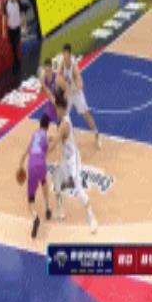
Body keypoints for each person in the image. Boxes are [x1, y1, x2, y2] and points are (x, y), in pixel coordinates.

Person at [49, 93, 98, 232]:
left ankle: (92, 218)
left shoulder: (64, 124)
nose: (55, 111)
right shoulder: (63, 114)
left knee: (79, 190)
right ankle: (60, 210)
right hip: (66, 158)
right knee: (56, 179)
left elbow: (55, 142)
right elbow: (52, 99)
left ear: (61, 108)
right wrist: (44, 87)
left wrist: (43, 153)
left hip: (73, 160)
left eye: (56, 108)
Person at [58, 43, 101, 149]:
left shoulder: (74, 67)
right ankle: (62, 138)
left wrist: (72, 89)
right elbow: (58, 76)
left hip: (77, 93)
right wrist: (64, 89)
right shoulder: (62, 63)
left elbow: (81, 84)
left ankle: (96, 134)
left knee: (86, 115)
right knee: (62, 116)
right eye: (63, 53)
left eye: (65, 54)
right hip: (69, 93)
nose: (64, 55)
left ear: (69, 54)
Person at [17, 114, 52, 239]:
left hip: (31, 165)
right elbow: (46, 150)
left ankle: (35, 217)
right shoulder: (46, 137)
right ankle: (47, 208)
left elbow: (24, 154)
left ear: (39, 124)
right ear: (48, 126)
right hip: (41, 163)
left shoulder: (34, 135)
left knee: (31, 199)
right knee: (43, 181)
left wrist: (20, 166)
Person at [2, 0, 25, 74]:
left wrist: (23, 23)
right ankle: (16, 63)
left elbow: (22, 13)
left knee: (16, 45)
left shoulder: (18, 2)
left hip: (17, 27)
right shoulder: (6, 4)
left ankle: (16, 63)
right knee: (13, 47)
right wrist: (3, 30)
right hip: (11, 28)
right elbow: (4, 17)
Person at [40, 58, 59, 125]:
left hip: (59, 100)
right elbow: (48, 94)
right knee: (44, 120)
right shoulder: (43, 79)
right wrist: (42, 84)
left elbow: (60, 93)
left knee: (60, 122)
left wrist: (58, 106)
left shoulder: (56, 77)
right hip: (52, 102)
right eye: (45, 67)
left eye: (48, 67)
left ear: (51, 67)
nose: (47, 70)